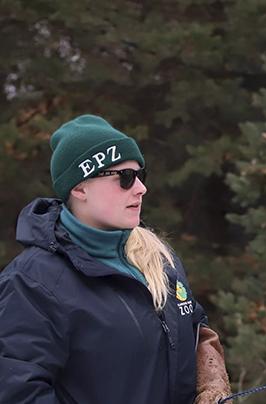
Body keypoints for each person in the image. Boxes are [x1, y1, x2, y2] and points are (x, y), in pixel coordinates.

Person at [0, 114, 232, 404]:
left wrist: (210, 378)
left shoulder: (157, 259)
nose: (140, 188)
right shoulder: (32, 282)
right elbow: (19, 392)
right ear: (79, 187)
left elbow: (194, 325)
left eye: (140, 175)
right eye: (124, 177)